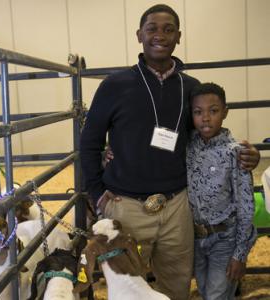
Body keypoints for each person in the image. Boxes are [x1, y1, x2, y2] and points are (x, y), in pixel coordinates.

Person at [80, 4, 260, 300]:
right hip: (125, 206)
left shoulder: (192, 88)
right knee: (127, 289)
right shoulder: (114, 85)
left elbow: (207, 135)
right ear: (139, 35)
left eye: (168, 29)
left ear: (179, 36)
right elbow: (89, 142)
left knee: (176, 287)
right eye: (152, 28)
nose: (159, 35)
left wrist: (245, 153)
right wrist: (97, 192)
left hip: (177, 206)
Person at [186, 82, 257, 300]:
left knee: (216, 296)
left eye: (213, 111)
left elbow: (246, 206)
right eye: (198, 112)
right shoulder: (188, 145)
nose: (205, 118)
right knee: (208, 292)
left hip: (224, 240)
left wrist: (240, 254)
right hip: (196, 239)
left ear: (225, 112)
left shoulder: (236, 153)